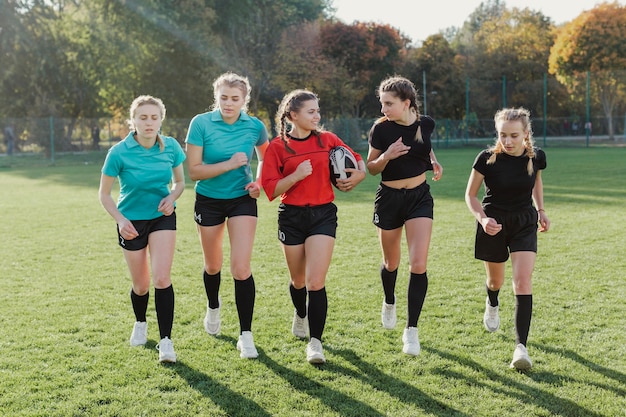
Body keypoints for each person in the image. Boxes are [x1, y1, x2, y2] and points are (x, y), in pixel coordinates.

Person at [261, 89, 366, 364]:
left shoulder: (328, 139)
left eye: (318, 111)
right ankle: (300, 313)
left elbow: (356, 159)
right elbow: (270, 190)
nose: (317, 116)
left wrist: (359, 175)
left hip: (322, 214)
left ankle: (315, 343)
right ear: (293, 115)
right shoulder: (277, 147)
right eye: (311, 112)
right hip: (292, 217)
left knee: (315, 282)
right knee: (298, 281)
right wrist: (296, 175)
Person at [185, 72, 269, 359]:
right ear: (216, 97)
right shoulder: (200, 124)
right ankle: (213, 306)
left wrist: (258, 183)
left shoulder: (255, 126)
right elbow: (194, 171)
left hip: (242, 200)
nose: (229, 104)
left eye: (235, 99)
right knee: (212, 265)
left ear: (245, 99)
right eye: (223, 98)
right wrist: (229, 163)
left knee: (241, 268)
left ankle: (246, 335)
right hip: (208, 200)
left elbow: (266, 159)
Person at [98, 95, 185, 363]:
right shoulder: (118, 152)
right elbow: (104, 194)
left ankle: (166, 341)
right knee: (141, 284)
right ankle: (140, 322)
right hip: (131, 223)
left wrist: (171, 198)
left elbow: (180, 182)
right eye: (143, 117)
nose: (149, 122)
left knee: (161, 278)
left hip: (161, 218)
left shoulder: (170, 147)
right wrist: (121, 221)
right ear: (133, 121)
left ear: (161, 120)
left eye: (154, 117)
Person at [465, 107, 550, 370]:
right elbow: (470, 195)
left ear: (526, 134)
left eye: (514, 135)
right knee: (495, 281)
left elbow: (535, 182)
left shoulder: (536, 157)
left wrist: (541, 210)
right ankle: (492, 301)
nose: (508, 141)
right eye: (503, 135)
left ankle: (520, 348)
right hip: (494, 223)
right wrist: (483, 219)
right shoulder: (486, 158)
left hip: (524, 222)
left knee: (522, 280)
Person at [366, 75, 443, 356]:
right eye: (382, 103)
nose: (383, 109)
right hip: (389, 199)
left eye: (389, 103)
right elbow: (371, 168)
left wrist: (433, 161)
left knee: (418, 263)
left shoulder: (426, 123)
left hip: (419, 198)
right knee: (391, 262)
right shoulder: (381, 130)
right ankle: (389, 300)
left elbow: (426, 144)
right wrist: (387, 155)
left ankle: (411, 330)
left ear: (406, 103)